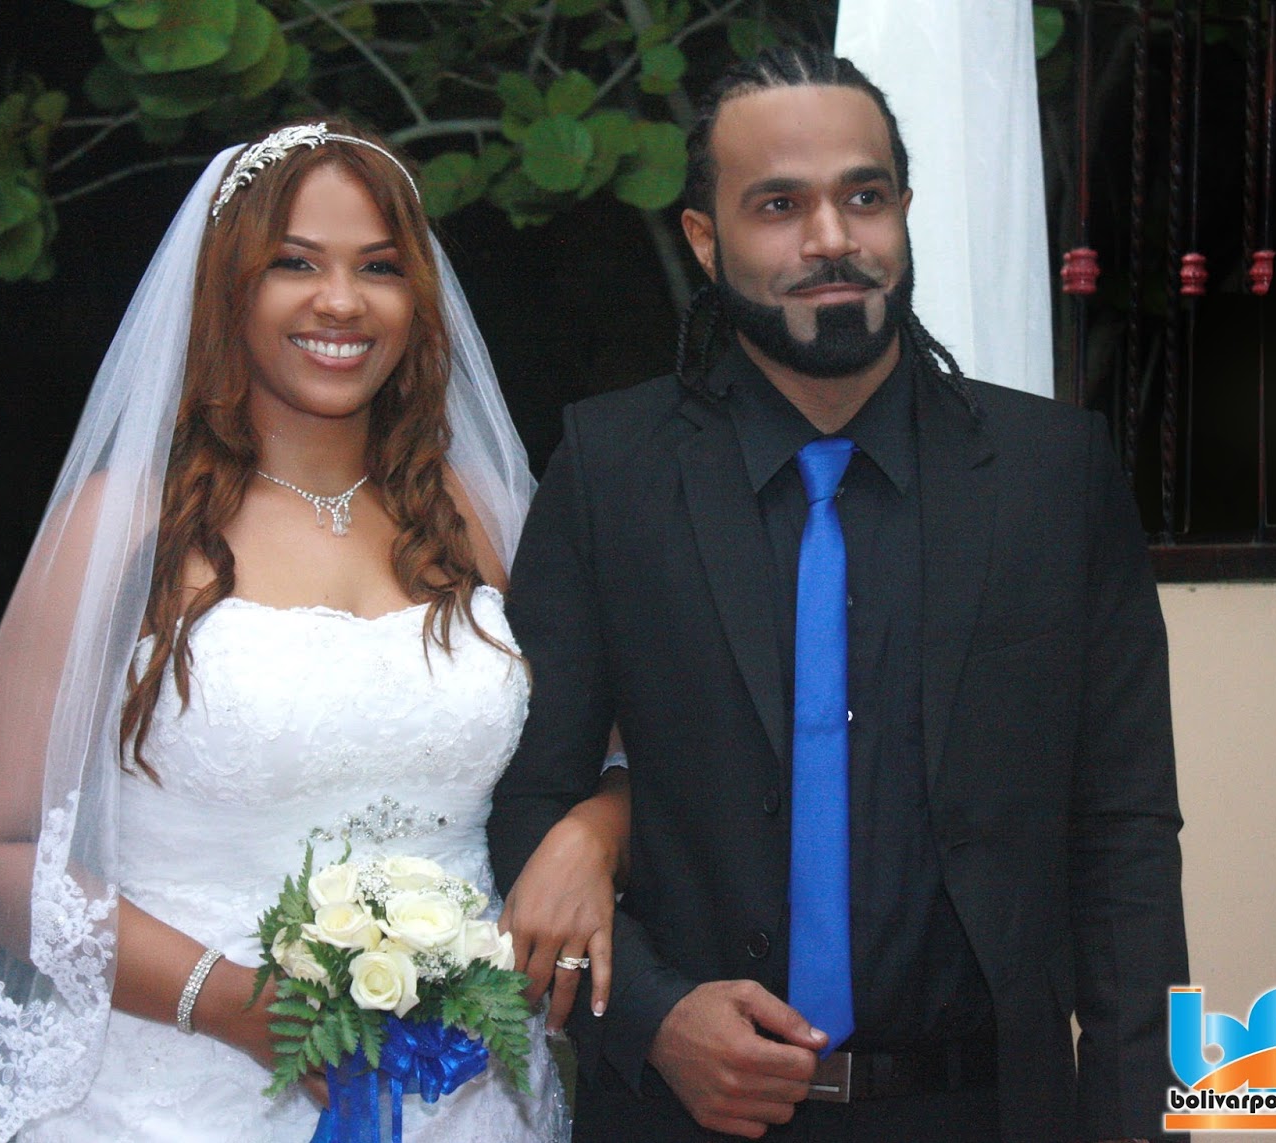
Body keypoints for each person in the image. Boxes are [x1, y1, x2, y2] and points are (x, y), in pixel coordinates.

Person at [0, 119, 622, 1141]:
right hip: (171, 1085)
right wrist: (229, 1002)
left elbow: (620, 757)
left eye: (379, 267)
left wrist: (590, 834)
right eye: (294, 263)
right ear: (229, 287)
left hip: (462, 1086)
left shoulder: (483, 513)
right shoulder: (125, 521)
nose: (341, 301)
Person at [489, 46, 1188, 1143]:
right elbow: (527, 797)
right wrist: (655, 1020)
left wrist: (1143, 1120)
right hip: (681, 1114)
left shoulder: (1053, 474)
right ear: (704, 239)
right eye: (779, 205)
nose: (831, 238)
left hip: (989, 1111)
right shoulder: (610, 471)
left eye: (864, 197)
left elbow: (1125, 836)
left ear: (903, 212)